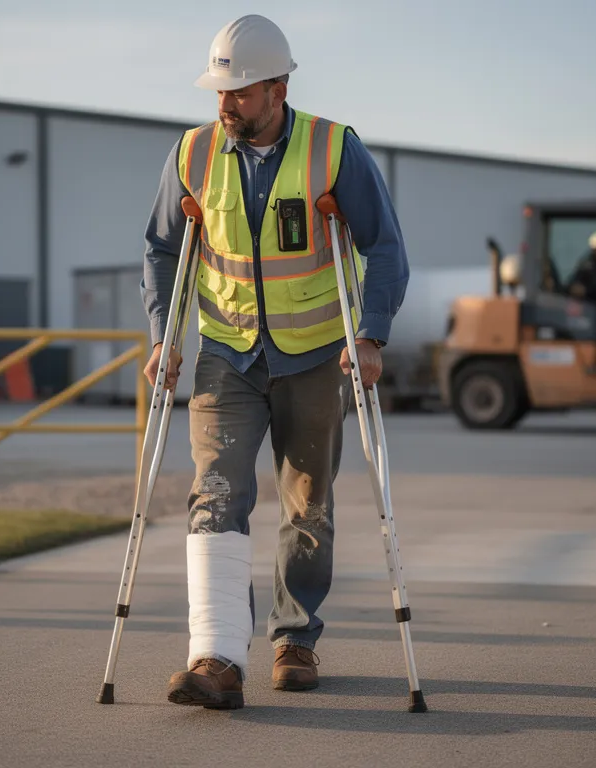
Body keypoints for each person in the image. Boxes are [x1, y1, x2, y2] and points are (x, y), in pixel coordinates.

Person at [139, 14, 409, 710]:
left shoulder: (334, 149)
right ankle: (217, 656)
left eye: (239, 91)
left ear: (278, 89)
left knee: (307, 503)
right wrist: (162, 336)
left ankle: (295, 638)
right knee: (215, 494)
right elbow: (163, 248)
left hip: (315, 355)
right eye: (219, 90)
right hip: (226, 354)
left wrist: (370, 336)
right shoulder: (193, 154)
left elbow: (384, 246)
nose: (225, 103)